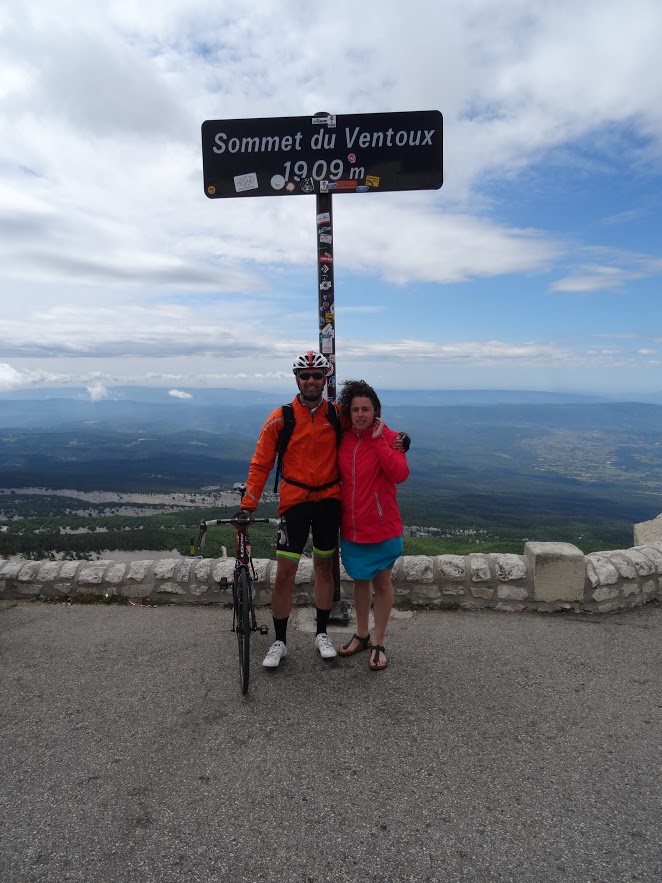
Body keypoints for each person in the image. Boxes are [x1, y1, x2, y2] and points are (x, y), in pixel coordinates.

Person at [238, 352, 408, 670]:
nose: (311, 380)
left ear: (325, 379)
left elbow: (369, 423)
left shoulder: (337, 414)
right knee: (284, 574)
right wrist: (247, 507)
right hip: (294, 504)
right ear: (297, 380)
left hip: (329, 502)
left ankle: (321, 634)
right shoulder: (281, 418)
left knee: (323, 570)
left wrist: (399, 439)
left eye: (317, 375)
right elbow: (261, 463)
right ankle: (279, 641)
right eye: (305, 375)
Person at [336, 380, 409, 671]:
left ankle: (378, 641)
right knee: (360, 581)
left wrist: (379, 440)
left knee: (382, 582)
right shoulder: (343, 438)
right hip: (353, 527)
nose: (360, 414)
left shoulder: (390, 437)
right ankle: (362, 635)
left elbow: (399, 473)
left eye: (366, 408)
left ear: (376, 411)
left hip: (382, 526)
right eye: (355, 409)